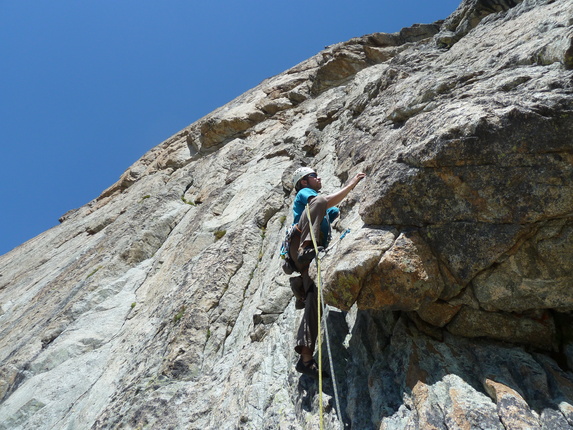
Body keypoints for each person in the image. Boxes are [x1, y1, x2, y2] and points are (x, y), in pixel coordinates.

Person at [289, 167, 365, 378]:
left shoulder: (320, 209)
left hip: (308, 262)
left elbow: (336, 210)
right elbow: (324, 202)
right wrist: (352, 184)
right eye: (314, 176)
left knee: (315, 302)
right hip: (301, 249)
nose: (319, 177)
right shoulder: (305, 195)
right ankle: (307, 245)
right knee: (320, 201)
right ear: (304, 182)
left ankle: (305, 358)